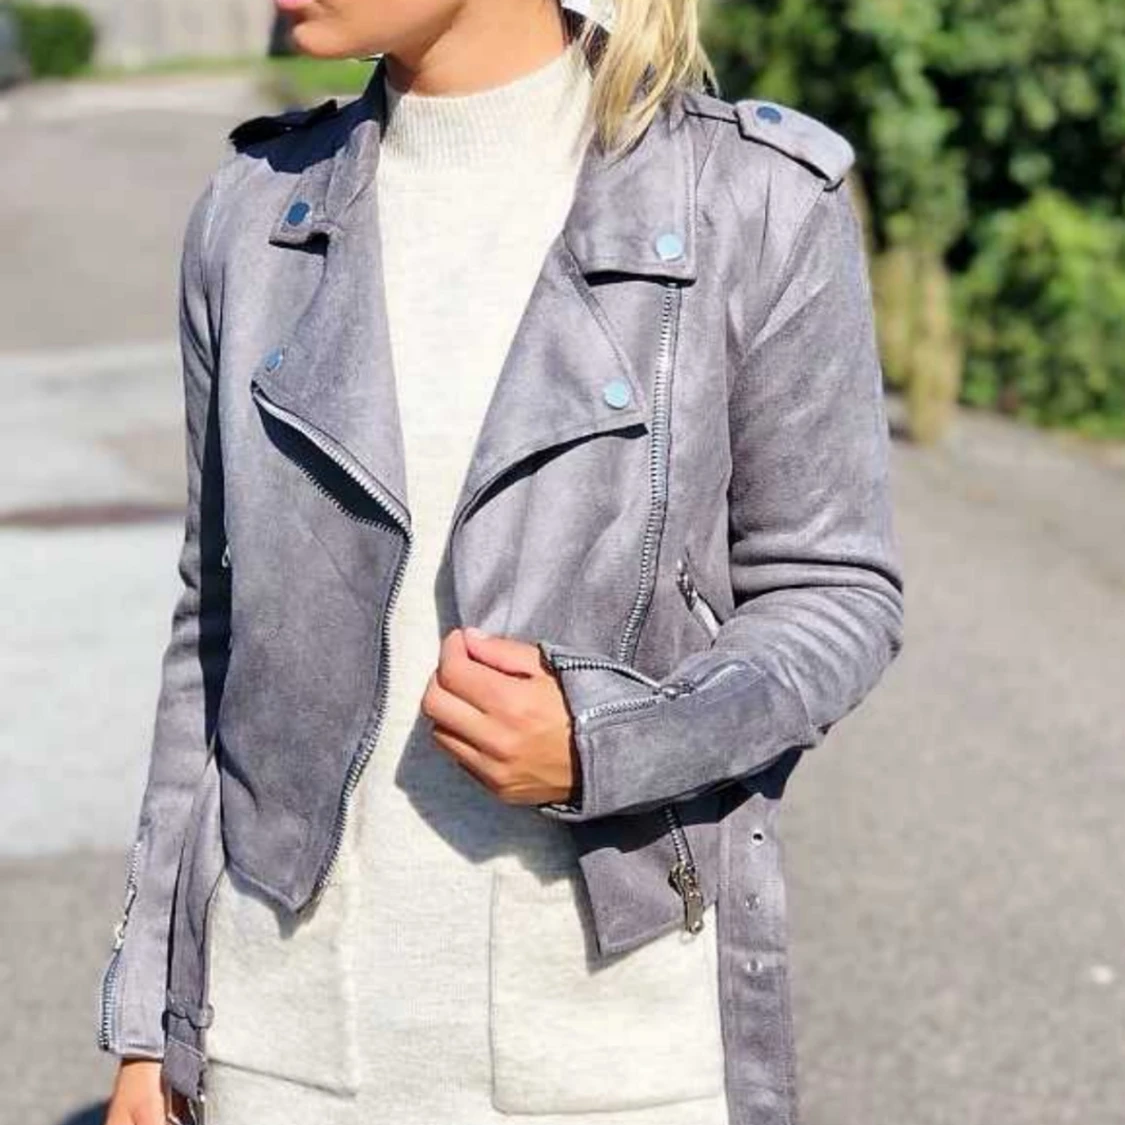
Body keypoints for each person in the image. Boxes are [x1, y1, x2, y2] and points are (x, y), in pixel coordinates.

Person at [99, 1, 905, 1123]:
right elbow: (215, 627)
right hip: (278, 1044)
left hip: (609, 1054)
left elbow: (834, 592)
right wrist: (150, 1018)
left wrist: (609, 740)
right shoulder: (252, 213)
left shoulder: (752, 201)